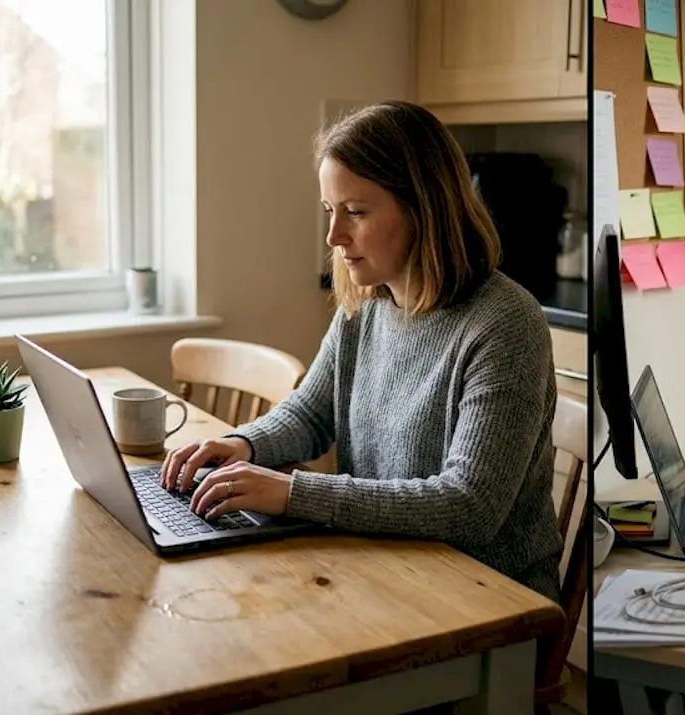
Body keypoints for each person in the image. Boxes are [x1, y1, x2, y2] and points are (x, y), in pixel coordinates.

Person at [158, 101, 564, 604]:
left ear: (424, 208)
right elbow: (311, 412)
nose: (334, 236)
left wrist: (292, 493)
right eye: (330, 211)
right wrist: (244, 446)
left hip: (490, 598)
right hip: (384, 565)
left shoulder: (504, 324)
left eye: (355, 212)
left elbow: (470, 507)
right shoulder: (368, 303)